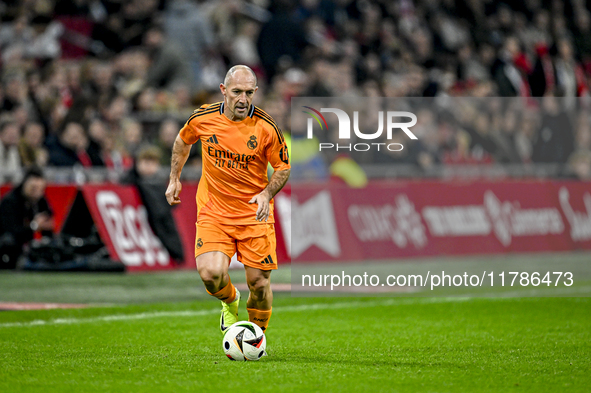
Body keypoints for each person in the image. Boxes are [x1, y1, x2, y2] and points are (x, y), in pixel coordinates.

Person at [165, 65, 290, 333]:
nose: (243, 99)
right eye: (236, 92)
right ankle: (230, 300)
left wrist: (266, 194)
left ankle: (256, 336)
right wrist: (175, 178)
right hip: (214, 211)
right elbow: (183, 141)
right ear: (224, 91)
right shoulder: (203, 118)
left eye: (248, 93)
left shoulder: (267, 127)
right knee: (211, 275)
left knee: (259, 284)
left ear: (255, 92)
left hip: (253, 213)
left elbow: (283, 167)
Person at [0, 166, 53, 269]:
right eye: (33, 188)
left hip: (28, 246)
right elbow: (11, 231)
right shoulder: (10, 201)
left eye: (40, 189)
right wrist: (34, 225)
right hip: (8, 246)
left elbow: (48, 221)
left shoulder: (40, 200)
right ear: (25, 184)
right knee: (8, 241)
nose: (36, 192)